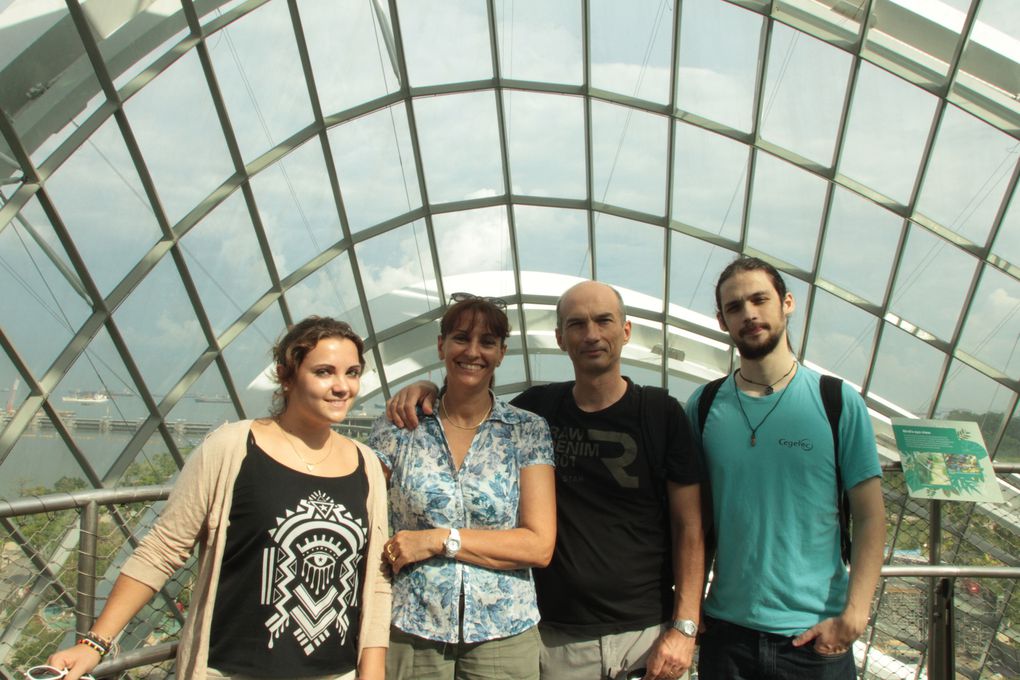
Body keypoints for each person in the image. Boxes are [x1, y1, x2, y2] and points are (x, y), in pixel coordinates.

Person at [387, 282, 704, 680]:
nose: (591, 334)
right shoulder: (536, 412)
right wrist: (428, 390)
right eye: (577, 324)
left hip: (643, 633)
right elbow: (473, 402)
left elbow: (688, 526)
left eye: (603, 320)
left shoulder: (660, 413)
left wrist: (685, 626)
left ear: (625, 331)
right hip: (557, 637)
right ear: (560, 338)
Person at [45, 317, 391, 680]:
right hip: (230, 671)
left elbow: (374, 581)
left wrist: (371, 672)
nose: (342, 387)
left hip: (334, 673)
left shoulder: (365, 465)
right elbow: (163, 548)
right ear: (286, 376)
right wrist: (95, 643)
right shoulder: (232, 448)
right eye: (324, 372)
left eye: (352, 373)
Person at [687, 257, 885, 679]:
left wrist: (855, 614)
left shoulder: (836, 402)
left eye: (760, 300)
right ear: (722, 321)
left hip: (814, 639)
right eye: (735, 307)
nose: (750, 314)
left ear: (787, 303)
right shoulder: (704, 408)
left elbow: (870, 516)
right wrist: (689, 609)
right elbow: (695, 521)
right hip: (727, 634)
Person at [368, 293, 556, 680]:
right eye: (460, 338)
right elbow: (361, 514)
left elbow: (538, 545)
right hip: (411, 628)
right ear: (441, 345)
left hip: (503, 633)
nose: (473, 351)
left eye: (487, 342)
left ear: (502, 353)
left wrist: (438, 540)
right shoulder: (399, 426)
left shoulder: (526, 431)